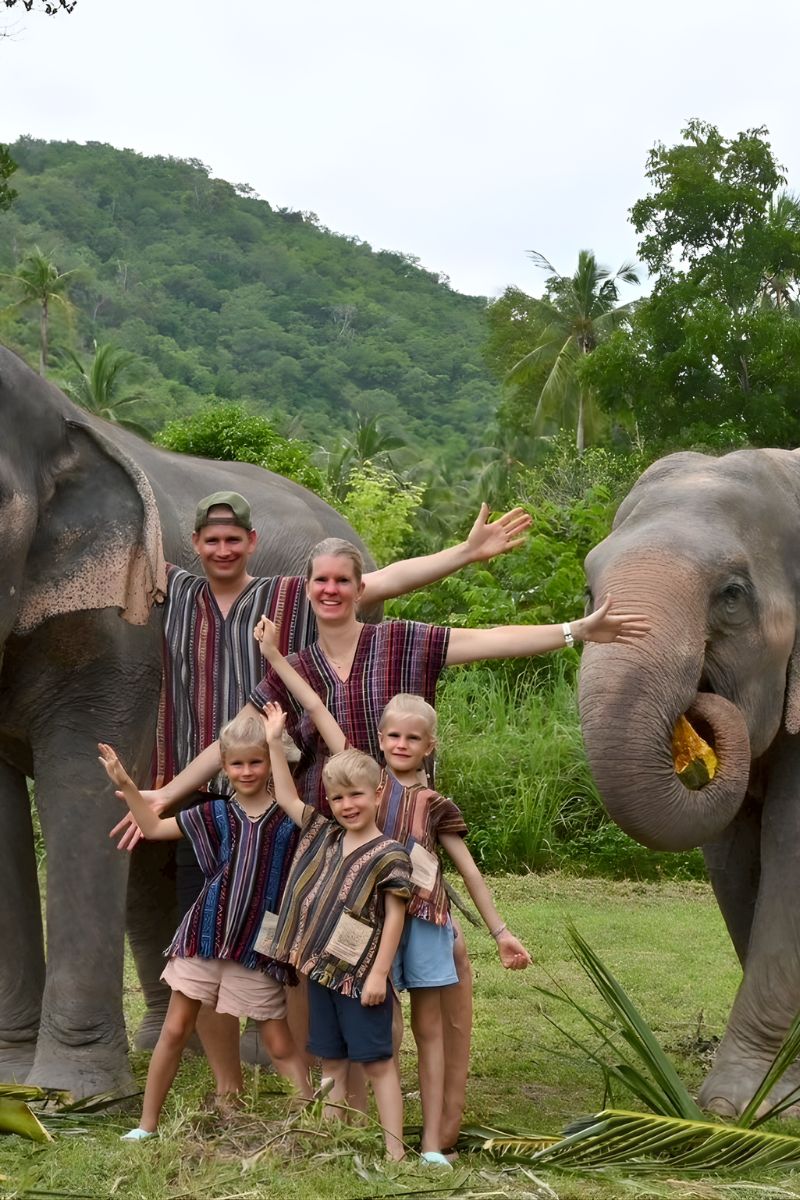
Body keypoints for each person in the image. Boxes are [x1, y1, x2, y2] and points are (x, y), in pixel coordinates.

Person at [136, 537, 649, 1146]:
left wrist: (573, 631)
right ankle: (338, 1113)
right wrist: (165, 794)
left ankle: (439, 1124)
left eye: (342, 581)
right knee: (313, 970)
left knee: (440, 962)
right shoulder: (292, 666)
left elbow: (483, 642)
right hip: (323, 848)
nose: (330, 591)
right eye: (319, 581)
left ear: (360, 589)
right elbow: (234, 741)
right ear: (307, 589)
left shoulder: (400, 643)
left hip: (404, 838)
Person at [120, 490, 533, 1092]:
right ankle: (268, 1085)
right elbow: (238, 716)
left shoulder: (284, 595)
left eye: (234, 538)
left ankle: (373, 1086)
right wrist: (165, 792)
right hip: (247, 805)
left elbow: (381, 580)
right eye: (211, 539)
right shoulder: (177, 589)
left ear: (253, 543)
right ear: (195, 545)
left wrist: (465, 555)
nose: (223, 549)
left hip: (322, 807)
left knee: (345, 944)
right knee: (253, 944)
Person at [255, 621, 532, 1161]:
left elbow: (468, 872)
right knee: (371, 1026)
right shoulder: (366, 780)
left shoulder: (434, 805)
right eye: (393, 736)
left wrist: (499, 930)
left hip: (423, 923)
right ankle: (358, 1126)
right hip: (364, 925)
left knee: (430, 1031)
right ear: (380, 742)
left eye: (413, 738)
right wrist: (275, 657)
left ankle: (428, 1141)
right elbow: (317, 707)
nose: (401, 745)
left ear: (430, 745)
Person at [98, 714, 312, 1140]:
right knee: (175, 1028)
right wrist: (124, 783)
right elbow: (154, 827)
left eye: (256, 762)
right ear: (224, 768)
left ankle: (313, 1122)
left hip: (255, 946)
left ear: (270, 763)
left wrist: (274, 740)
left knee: (279, 1042)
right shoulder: (214, 814)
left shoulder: (291, 820)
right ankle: (147, 1125)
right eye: (236, 764)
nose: (246, 772)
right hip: (204, 936)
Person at [262, 709, 412, 1162]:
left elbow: (395, 919)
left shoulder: (390, 855)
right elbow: (286, 797)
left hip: (362, 978)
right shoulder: (324, 835)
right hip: (321, 975)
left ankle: (395, 1153)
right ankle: (332, 1141)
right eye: (338, 797)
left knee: (378, 1064)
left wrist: (378, 976)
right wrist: (274, 742)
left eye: (357, 796)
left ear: (377, 792)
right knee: (329, 1059)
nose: (347, 805)